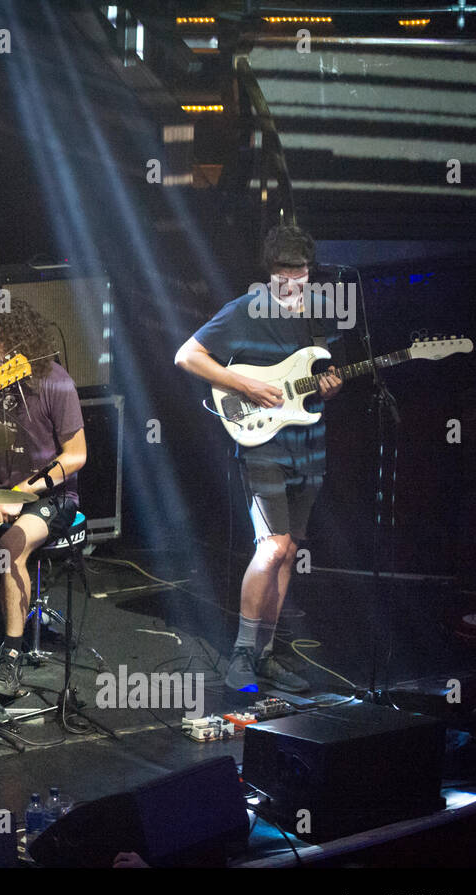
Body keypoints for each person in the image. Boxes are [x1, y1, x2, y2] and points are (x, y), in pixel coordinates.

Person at [175, 224, 342, 693]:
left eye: (301, 273)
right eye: (284, 274)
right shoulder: (244, 311)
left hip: (309, 444)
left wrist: (333, 384)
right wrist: (245, 385)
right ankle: (243, 654)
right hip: (262, 444)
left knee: (289, 551)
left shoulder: (321, 317)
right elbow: (187, 355)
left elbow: (325, 374)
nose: (292, 283)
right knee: (270, 548)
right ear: (269, 273)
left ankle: (266, 655)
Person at [0, 299, 87, 697]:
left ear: (18, 341)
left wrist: (23, 491)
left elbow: (77, 456)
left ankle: (11, 658)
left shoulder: (55, 381)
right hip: (1, 491)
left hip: (51, 496)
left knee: (9, 545)